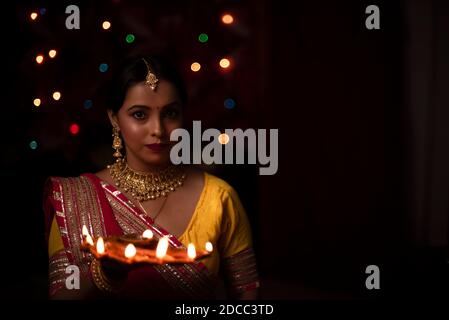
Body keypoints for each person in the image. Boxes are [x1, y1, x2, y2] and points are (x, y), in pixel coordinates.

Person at [43, 54, 260, 299]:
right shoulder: (75, 199)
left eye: (170, 113)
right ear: (114, 118)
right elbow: (61, 294)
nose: (158, 129)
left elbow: (247, 293)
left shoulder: (218, 197)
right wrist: (104, 272)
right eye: (139, 115)